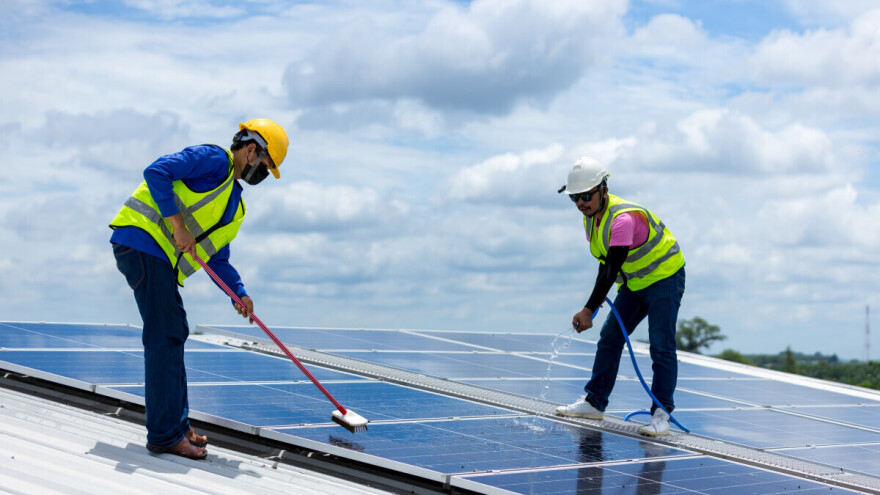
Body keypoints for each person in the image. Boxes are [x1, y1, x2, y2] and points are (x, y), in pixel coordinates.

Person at [109, 119, 290, 459]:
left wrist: (238, 292)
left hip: (157, 256)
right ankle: (164, 434)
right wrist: (177, 225)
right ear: (251, 150)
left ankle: (175, 425)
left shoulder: (235, 204)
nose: (263, 173)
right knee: (165, 334)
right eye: (265, 165)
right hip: (141, 241)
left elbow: (217, 258)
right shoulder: (213, 159)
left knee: (174, 330)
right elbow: (156, 171)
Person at [554, 157, 685, 437]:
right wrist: (594, 303)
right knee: (610, 337)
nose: (580, 203)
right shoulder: (591, 220)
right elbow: (606, 263)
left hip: (665, 278)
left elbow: (612, 267)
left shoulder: (622, 219)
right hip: (635, 283)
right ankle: (595, 402)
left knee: (661, 345)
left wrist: (588, 308)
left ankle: (661, 414)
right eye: (574, 198)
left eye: (586, 196)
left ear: (603, 188)